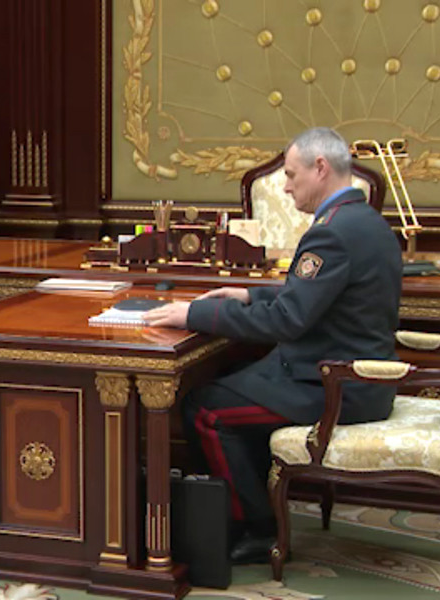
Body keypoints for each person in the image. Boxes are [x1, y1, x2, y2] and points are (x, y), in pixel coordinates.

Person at [144, 127, 402, 564]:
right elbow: (320, 296)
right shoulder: (368, 223)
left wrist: (193, 315)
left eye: (291, 175)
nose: (285, 187)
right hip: (358, 378)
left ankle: (259, 529)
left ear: (320, 168)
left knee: (205, 410)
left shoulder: (331, 233)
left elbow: (286, 320)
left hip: (335, 387)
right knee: (228, 378)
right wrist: (249, 295)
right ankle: (250, 508)